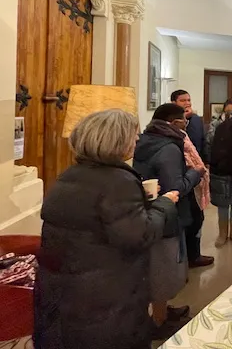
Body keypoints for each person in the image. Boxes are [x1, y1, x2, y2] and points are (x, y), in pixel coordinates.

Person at [34, 109, 180, 349]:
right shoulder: (118, 181)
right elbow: (140, 235)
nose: (137, 139)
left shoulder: (68, 175)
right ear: (117, 139)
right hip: (104, 300)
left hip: (64, 292)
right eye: (133, 134)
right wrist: (164, 205)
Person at [133, 103, 204, 338]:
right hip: (166, 214)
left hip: (149, 211)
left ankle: (161, 311)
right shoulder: (170, 148)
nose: (187, 124)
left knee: (156, 266)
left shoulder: (147, 140)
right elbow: (176, 187)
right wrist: (195, 173)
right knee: (164, 269)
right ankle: (159, 322)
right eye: (184, 120)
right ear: (174, 123)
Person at [170, 89, 213, 268]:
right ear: (174, 103)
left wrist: (205, 163)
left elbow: (201, 142)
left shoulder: (195, 120)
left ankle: (194, 254)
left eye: (188, 100)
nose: (187, 103)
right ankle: (187, 258)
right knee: (188, 219)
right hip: (181, 176)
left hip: (196, 175)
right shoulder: (170, 121)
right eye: (183, 100)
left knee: (198, 217)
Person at [206, 99, 232, 248]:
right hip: (220, 171)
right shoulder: (215, 125)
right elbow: (209, 144)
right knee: (223, 204)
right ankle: (222, 233)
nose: (231, 115)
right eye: (228, 112)